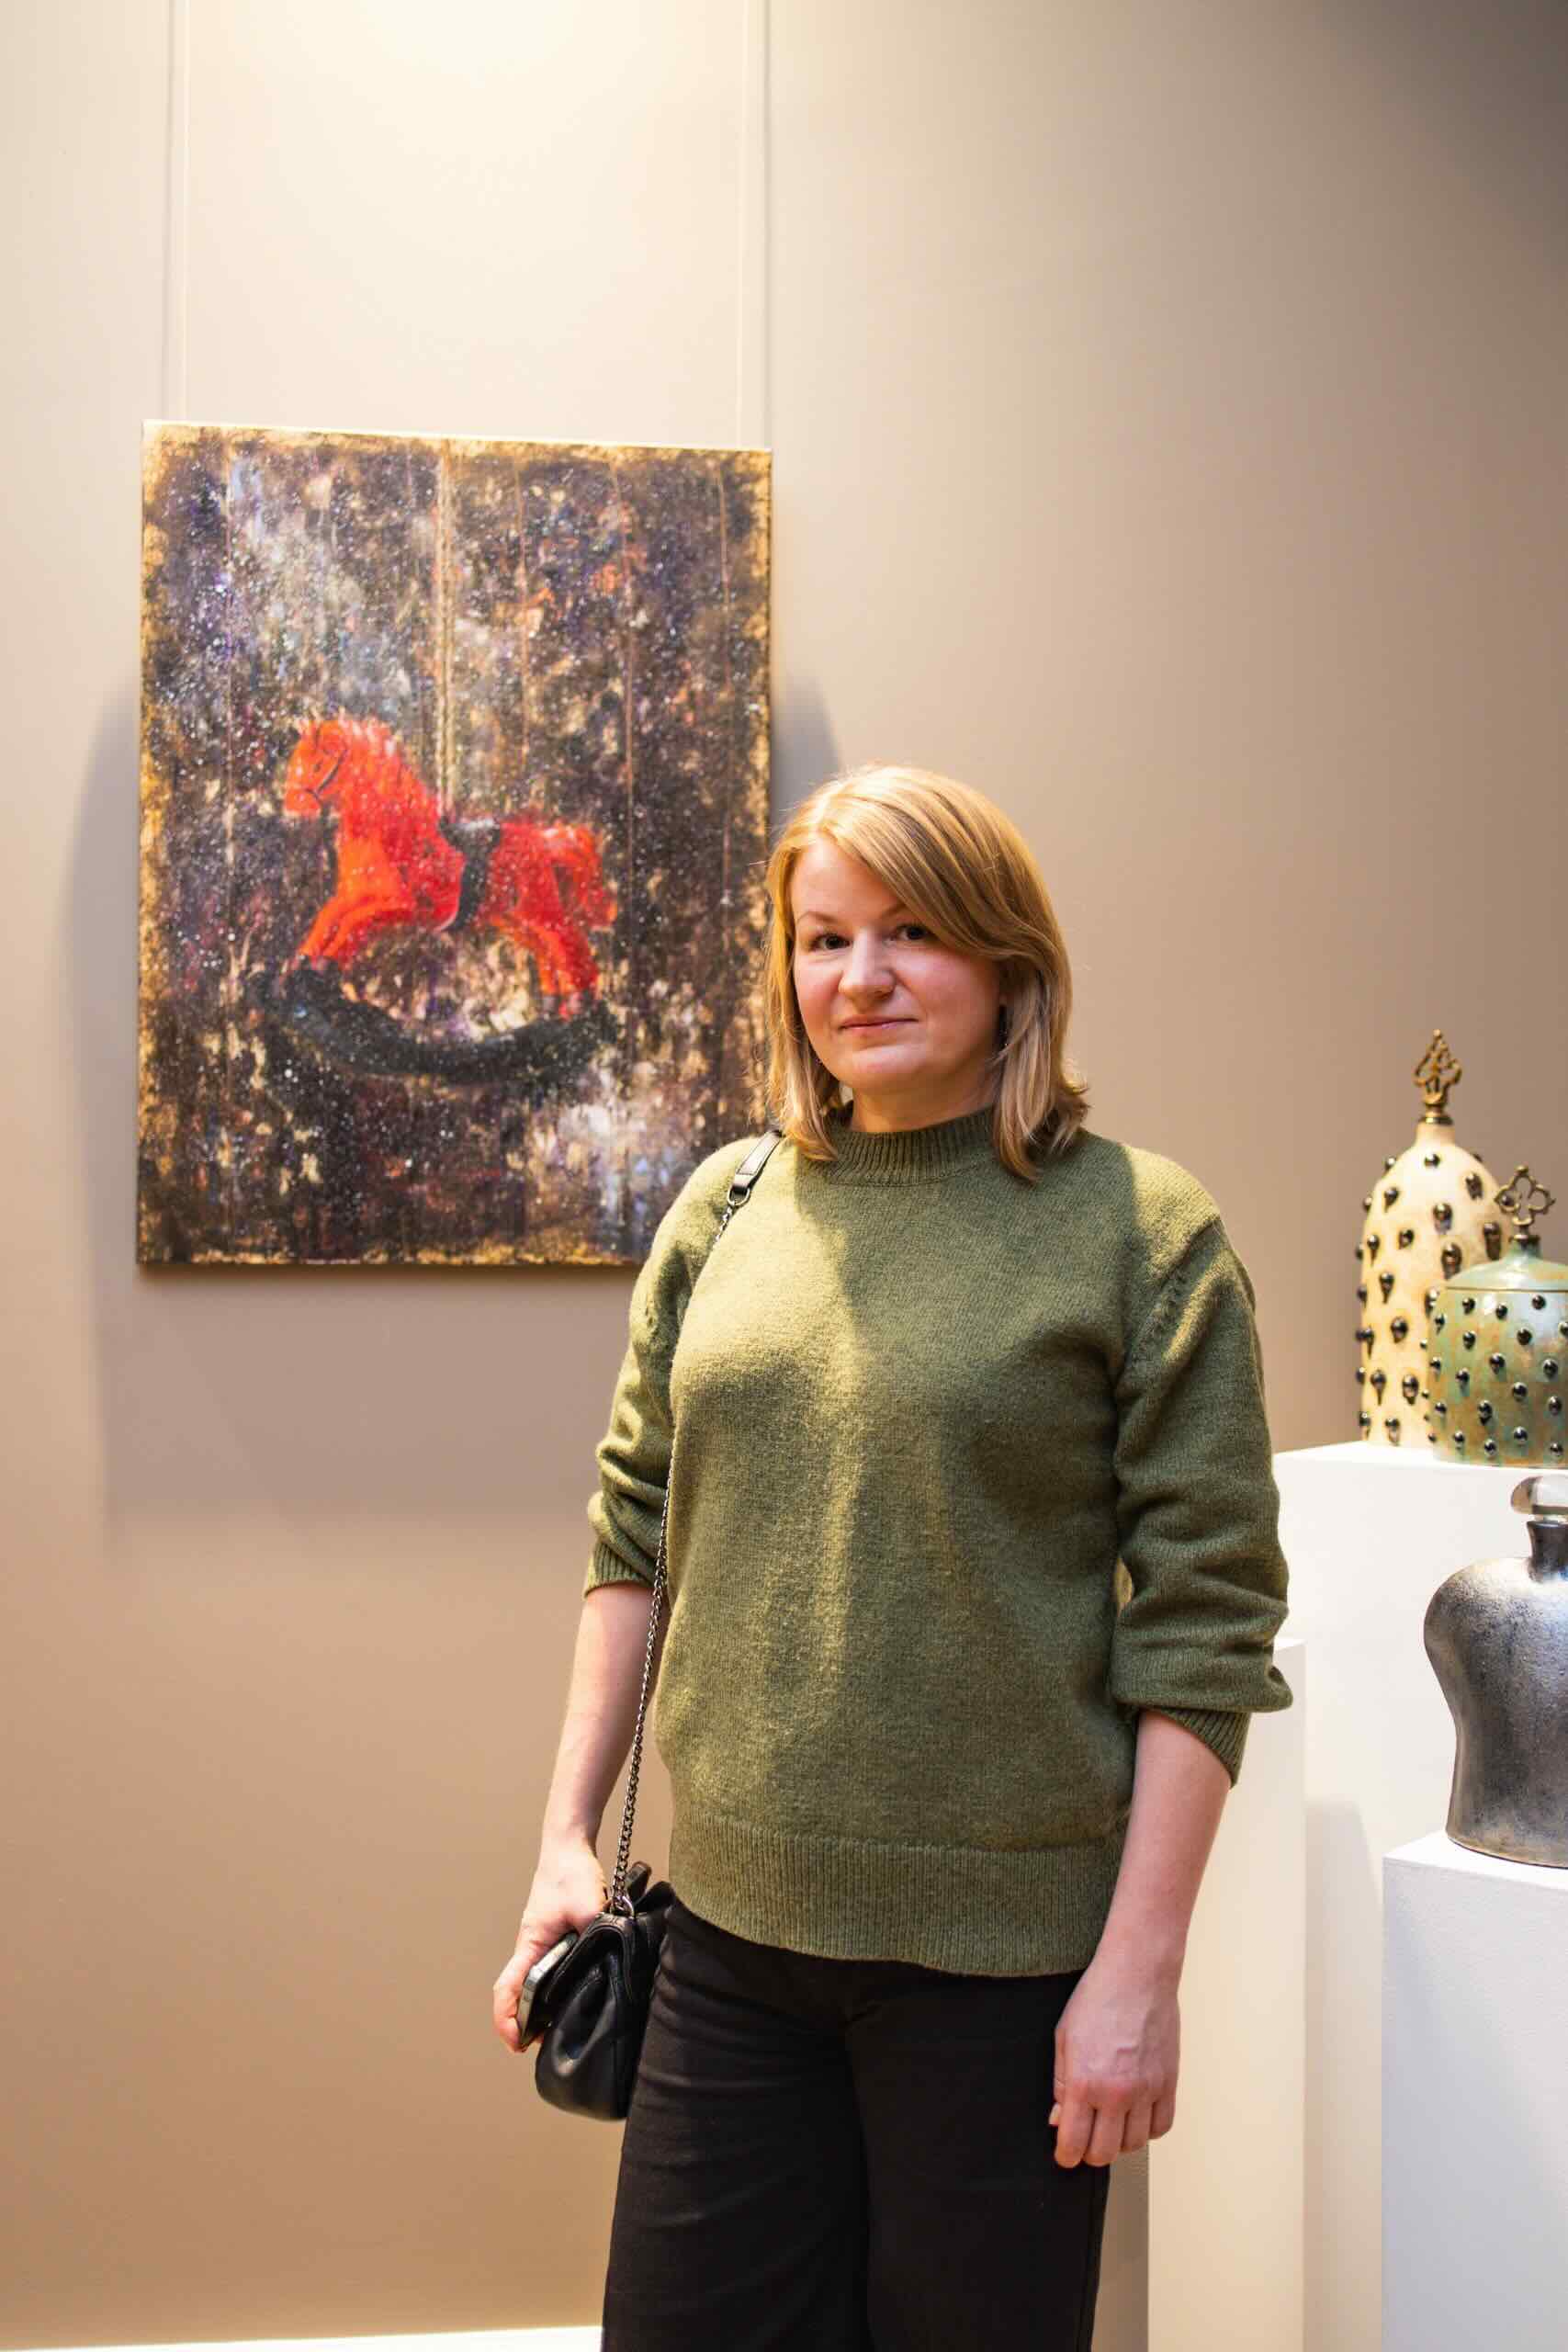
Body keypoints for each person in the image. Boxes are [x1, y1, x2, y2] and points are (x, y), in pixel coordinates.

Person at [493, 763, 1293, 2350]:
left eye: (912, 930)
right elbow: (635, 1529)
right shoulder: (726, 1209)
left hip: (1001, 1982)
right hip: (726, 1949)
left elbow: (1207, 1627)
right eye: (823, 938)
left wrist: (1139, 1972)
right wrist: (564, 1837)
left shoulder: (1141, 1231)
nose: (859, 977)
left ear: (1007, 958)